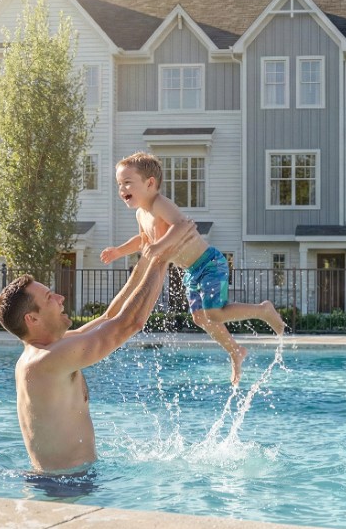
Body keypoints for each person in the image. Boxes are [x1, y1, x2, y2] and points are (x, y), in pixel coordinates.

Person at [0, 224, 195, 473]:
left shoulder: (54, 348)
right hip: (63, 487)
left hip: (72, 480)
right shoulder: (45, 361)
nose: (60, 298)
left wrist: (146, 258)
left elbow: (111, 316)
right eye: (49, 298)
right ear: (32, 319)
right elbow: (129, 323)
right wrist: (162, 255)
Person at [101, 152, 285, 387]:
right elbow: (142, 239)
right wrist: (119, 251)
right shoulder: (141, 213)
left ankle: (263, 310)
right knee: (200, 318)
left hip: (209, 264)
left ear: (150, 183)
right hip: (191, 271)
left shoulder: (159, 203)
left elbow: (180, 225)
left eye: (127, 182)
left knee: (215, 313)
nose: (122, 189)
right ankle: (235, 351)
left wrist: (159, 245)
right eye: (119, 184)